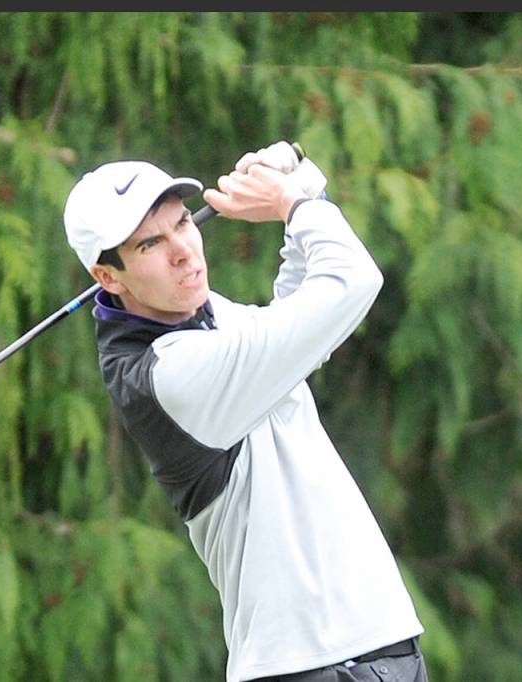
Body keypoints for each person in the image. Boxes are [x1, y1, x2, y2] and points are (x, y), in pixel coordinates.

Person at [63, 142, 427, 682]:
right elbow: (352, 281)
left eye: (184, 223)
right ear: (109, 277)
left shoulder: (204, 320)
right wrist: (294, 204)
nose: (184, 250)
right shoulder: (169, 375)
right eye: (151, 245)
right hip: (316, 667)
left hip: (367, 652)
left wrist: (300, 178)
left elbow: (304, 322)